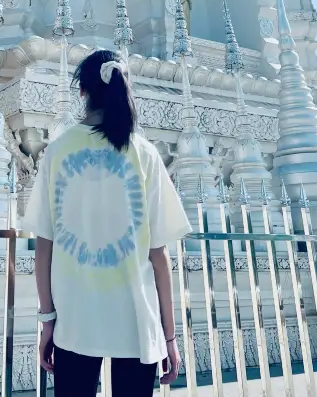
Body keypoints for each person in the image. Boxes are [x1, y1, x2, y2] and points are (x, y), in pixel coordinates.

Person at [22, 49, 191, 397]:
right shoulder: (145, 153)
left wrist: (47, 320)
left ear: (82, 91)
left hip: (75, 321)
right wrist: (169, 337)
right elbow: (159, 257)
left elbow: (44, 248)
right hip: (136, 321)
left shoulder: (57, 150)